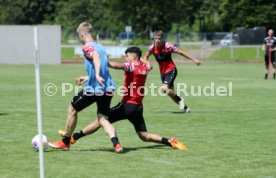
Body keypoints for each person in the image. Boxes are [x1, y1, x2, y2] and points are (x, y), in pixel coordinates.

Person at [58, 47, 188, 151]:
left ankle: (74, 137)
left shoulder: (131, 66)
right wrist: (144, 60)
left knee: (102, 119)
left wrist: (103, 62)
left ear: (133, 56)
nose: (126, 58)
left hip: (127, 106)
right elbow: (150, 65)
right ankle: (170, 141)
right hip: (137, 107)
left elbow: (117, 65)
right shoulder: (145, 68)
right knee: (144, 135)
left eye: (127, 56)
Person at [48, 22, 123, 153]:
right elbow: (102, 64)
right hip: (108, 88)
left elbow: (96, 57)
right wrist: (88, 77)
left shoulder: (87, 47)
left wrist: (97, 75)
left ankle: (65, 142)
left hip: (94, 89)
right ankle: (116, 144)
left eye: (79, 36)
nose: (79, 38)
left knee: (72, 109)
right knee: (103, 118)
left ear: (82, 34)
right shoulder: (100, 46)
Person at [143, 30, 202, 113]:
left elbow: (181, 53)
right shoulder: (152, 48)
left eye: (159, 38)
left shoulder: (168, 46)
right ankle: (185, 108)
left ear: (162, 39)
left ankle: (181, 100)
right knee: (170, 93)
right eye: (155, 38)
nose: (157, 40)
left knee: (164, 89)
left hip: (171, 70)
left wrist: (194, 59)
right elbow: (145, 57)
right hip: (163, 73)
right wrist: (146, 64)